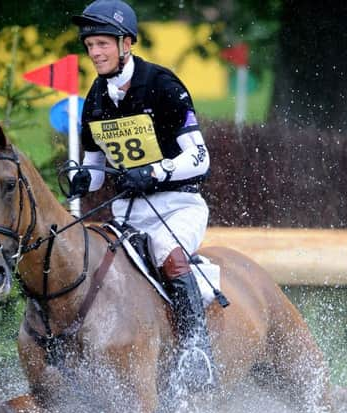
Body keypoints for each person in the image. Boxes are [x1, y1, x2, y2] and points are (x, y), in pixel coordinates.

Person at [69, 0, 216, 391]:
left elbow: (199, 158)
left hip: (177, 205)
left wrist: (155, 171)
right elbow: (97, 170)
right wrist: (83, 179)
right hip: (127, 213)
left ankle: (195, 352)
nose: (95, 53)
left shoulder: (162, 84)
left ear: (126, 43)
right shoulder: (96, 99)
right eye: (89, 45)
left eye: (102, 44)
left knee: (168, 256)